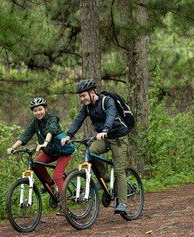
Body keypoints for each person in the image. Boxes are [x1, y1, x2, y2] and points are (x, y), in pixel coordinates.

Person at [60, 78, 130, 214]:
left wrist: (105, 130)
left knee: (119, 169)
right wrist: (68, 135)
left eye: (83, 95)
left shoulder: (106, 101)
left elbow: (111, 115)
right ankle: (104, 177)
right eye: (80, 96)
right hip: (104, 138)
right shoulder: (87, 107)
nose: (82, 98)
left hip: (118, 137)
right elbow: (78, 120)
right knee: (91, 152)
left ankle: (122, 203)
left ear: (92, 92)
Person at [7, 97, 72, 216]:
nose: (38, 112)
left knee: (58, 176)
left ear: (45, 109)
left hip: (63, 151)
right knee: (36, 163)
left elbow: (51, 130)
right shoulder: (35, 123)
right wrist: (13, 147)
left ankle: (64, 207)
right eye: (35, 110)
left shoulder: (52, 118)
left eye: (40, 109)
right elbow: (25, 135)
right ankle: (50, 185)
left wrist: (45, 142)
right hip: (50, 152)